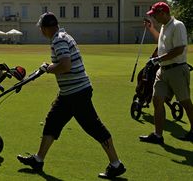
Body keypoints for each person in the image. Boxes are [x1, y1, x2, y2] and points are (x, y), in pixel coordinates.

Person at [17, 12, 126, 178]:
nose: (41, 32)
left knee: (93, 127)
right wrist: (50, 66)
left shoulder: (58, 40)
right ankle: (38, 160)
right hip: (69, 93)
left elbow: (65, 65)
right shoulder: (64, 36)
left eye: (41, 29)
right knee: (52, 121)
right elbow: (63, 63)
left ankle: (116, 164)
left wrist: (48, 69)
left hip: (77, 93)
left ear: (46, 28)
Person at [139, 2, 193, 144]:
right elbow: (161, 43)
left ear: (163, 12)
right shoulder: (164, 27)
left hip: (177, 69)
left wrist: (158, 58)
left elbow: (179, 49)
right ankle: (158, 135)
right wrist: (151, 29)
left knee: (185, 101)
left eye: (155, 15)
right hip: (163, 70)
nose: (154, 18)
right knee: (157, 100)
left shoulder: (177, 25)